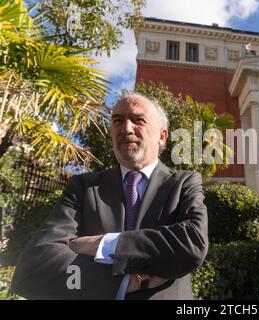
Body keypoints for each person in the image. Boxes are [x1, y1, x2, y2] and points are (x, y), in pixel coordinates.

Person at [11, 93, 209, 300]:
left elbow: (192, 244)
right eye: (118, 121)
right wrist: (124, 282)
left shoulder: (184, 183)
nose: (126, 128)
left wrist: (103, 245)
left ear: (162, 136)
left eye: (138, 120)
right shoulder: (84, 187)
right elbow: (33, 271)